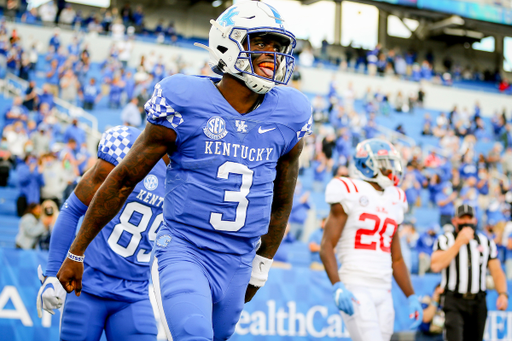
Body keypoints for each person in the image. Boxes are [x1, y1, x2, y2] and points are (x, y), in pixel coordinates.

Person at [57, 2, 311, 341]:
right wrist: (77, 251)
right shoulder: (185, 98)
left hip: (239, 257)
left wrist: (261, 265)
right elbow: (123, 179)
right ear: (227, 43)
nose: (272, 54)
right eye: (261, 42)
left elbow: (282, 202)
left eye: (278, 46)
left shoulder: (291, 111)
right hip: (185, 247)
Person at [36, 126, 167, 340]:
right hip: (86, 286)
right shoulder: (126, 145)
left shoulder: (197, 169)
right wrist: (52, 274)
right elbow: (73, 208)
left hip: (136, 292)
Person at [320, 138, 423, 341]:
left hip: (384, 289)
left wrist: (411, 295)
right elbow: (326, 247)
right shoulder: (349, 191)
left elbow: (397, 259)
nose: (391, 169)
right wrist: (338, 286)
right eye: (385, 164)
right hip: (355, 283)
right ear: (366, 165)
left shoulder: (396, 198)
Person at [430, 204, 508, 341]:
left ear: (475, 221)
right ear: (455, 221)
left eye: (469, 218)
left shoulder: (486, 242)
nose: (466, 222)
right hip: (454, 300)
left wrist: (502, 293)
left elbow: (496, 270)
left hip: (478, 302)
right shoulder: (445, 240)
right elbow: (435, 265)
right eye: (462, 219)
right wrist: (459, 242)